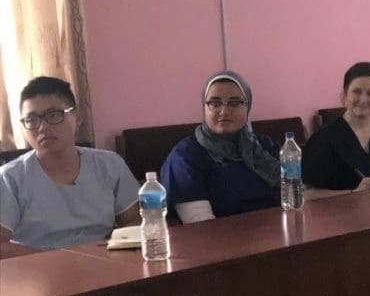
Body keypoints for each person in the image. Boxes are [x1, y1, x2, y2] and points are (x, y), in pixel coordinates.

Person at [1, 76, 140, 249]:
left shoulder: (109, 164)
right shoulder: (9, 178)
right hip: (39, 269)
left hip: (103, 262)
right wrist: (56, 263)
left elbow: (134, 220)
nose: (42, 127)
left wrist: (111, 251)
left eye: (53, 115)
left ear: (77, 117)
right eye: (31, 120)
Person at [161, 70, 281, 222]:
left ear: (248, 107)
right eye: (215, 103)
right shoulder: (185, 157)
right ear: (204, 108)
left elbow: (296, 195)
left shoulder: (265, 146)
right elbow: (201, 226)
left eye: (235, 103)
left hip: (283, 235)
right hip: (224, 242)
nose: (224, 111)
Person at [302, 62, 370, 192]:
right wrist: (353, 193)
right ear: (344, 96)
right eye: (356, 92)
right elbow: (308, 194)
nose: (363, 99)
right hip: (340, 211)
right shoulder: (323, 139)